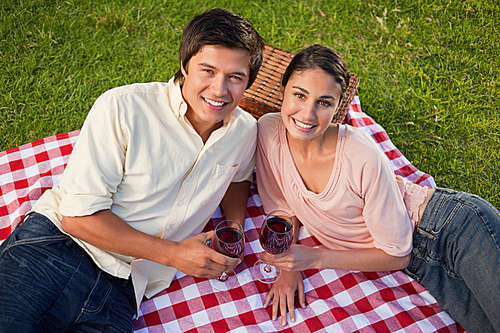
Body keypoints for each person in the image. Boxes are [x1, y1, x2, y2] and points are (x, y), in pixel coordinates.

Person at [0, 8, 264, 332]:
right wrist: (174, 255)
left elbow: (237, 177)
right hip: (57, 250)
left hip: (124, 290)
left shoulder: (245, 131)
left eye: (235, 77)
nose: (220, 89)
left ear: (249, 81)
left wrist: (234, 227)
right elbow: (77, 216)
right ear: (184, 64)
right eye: (207, 71)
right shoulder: (123, 108)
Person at [255, 44, 500, 332]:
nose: (307, 114)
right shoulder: (268, 131)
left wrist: (313, 258)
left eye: (324, 102)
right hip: (423, 267)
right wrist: (287, 266)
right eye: (299, 95)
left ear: (337, 107)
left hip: (453, 229)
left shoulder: (360, 153)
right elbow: (281, 207)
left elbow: (397, 254)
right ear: (283, 90)